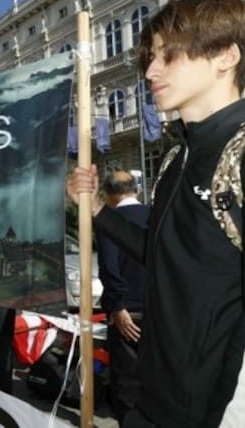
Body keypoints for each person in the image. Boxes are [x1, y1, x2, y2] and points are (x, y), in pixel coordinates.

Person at [67, 0, 245, 427]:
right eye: (150, 58)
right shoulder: (176, 158)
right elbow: (165, 254)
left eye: (167, 55)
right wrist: (96, 209)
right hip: (156, 404)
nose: (151, 71)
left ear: (226, 56)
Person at [96, 171, 149, 423]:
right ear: (135, 189)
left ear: (109, 194)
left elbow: (109, 267)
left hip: (127, 314)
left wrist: (116, 306)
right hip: (160, 310)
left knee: (127, 386)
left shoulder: (111, 220)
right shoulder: (157, 215)